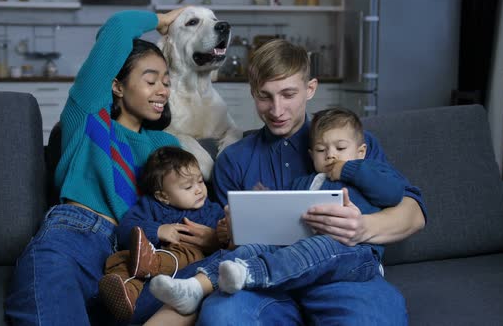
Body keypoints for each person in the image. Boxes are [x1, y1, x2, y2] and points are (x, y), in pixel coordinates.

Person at [191, 39, 427, 325]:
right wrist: (227, 231)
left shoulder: (350, 144)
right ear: (252, 94)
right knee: (221, 316)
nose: (277, 110)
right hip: (265, 282)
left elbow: (414, 214)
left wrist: (363, 227)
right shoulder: (233, 160)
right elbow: (226, 242)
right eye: (265, 96)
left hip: (344, 276)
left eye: (288, 94)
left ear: (310, 89)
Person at [3, 7, 206, 325]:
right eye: (151, 80)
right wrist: (165, 20)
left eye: (166, 82)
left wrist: (206, 235)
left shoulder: (166, 148)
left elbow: (186, 207)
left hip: (134, 259)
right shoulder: (89, 118)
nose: (163, 90)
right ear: (117, 86)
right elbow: (117, 27)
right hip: (75, 236)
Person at [148, 107, 412, 314]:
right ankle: (195, 287)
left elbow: (392, 193)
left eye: (341, 149)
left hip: (355, 253)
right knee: (252, 249)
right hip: (302, 247)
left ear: (362, 150)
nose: (331, 155)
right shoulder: (307, 182)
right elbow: (289, 213)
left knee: (320, 246)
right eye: (322, 150)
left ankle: (251, 274)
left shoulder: (371, 170)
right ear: (311, 154)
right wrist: (265, 203)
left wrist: (349, 168)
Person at [97, 146, 224, 322]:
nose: (198, 190)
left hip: (183, 267)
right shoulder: (150, 206)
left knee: (191, 252)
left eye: (201, 181)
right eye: (188, 187)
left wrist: (217, 236)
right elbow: (124, 230)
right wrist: (157, 230)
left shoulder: (212, 210)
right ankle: (126, 293)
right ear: (163, 196)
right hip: (144, 264)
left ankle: (154, 263)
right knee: (119, 260)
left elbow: (226, 241)